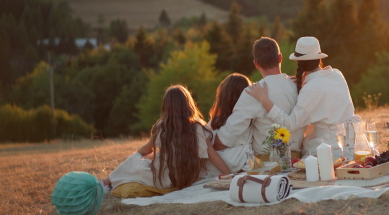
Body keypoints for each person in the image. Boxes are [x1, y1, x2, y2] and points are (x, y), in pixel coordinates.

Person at [101, 84, 231, 196]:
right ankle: (109, 182)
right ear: (188, 104)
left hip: (161, 179)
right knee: (149, 158)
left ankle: (106, 182)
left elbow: (146, 149)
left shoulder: (162, 126)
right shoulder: (197, 127)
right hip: (183, 179)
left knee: (134, 160)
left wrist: (137, 157)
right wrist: (229, 175)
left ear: (166, 106)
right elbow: (213, 156)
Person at [246, 36, 355, 159]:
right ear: (319, 57)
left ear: (298, 61)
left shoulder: (310, 88)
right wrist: (304, 80)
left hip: (329, 150)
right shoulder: (336, 74)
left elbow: (290, 124)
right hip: (351, 143)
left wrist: (263, 99)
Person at [213, 37, 305, 162]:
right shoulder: (299, 86)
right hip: (297, 162)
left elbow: (230, 133)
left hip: (267, 165)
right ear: (280, 58)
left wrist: (211, 145)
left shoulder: (252, 92)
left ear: (256, 63)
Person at [204, 73, 253, 176]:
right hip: (225, 168)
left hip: (211, 170)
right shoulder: (239, 118)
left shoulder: (216, 119)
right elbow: (219, 144)